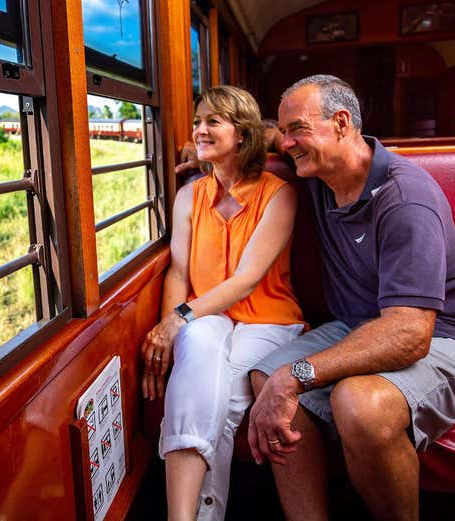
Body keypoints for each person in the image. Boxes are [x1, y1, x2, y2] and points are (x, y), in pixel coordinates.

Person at [245, 75, 455, 521]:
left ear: (342, 123)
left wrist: (298, 375)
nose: (286, 144)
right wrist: (218, 149)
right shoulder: (319, 173)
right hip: (361, 324)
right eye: (285, 133)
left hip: (447, 335)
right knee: (264, 378)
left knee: (358, 404)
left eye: (297, 131)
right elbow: (271, 133)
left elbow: (409, 333)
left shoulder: (406, 198)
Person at [142, 85, 306, 521]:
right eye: (198, 121)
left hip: (268, 321)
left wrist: (177, 320)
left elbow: (247, 279)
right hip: (207, 316)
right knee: (196, 353)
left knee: (216, 395)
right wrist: (167, 344)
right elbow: (178, 272)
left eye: (213, 121)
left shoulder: (279, 194)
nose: (199, 130)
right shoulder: (188, 196)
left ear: (243, 134)